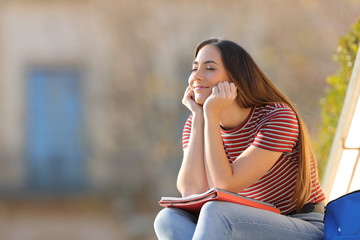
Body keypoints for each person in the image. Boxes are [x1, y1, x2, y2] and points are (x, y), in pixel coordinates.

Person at [154, 38, 326, 240]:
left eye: (209, 68)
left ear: (236, 78)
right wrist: (200, 118)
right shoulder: (196, 123)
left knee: (216, 211)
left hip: (300, 226)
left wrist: (210, 114)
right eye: (194, 69)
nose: (196, 77)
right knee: (167, 218)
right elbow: (191, 191)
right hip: (241, 227)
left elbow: (225, 185)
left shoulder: (277, 117)